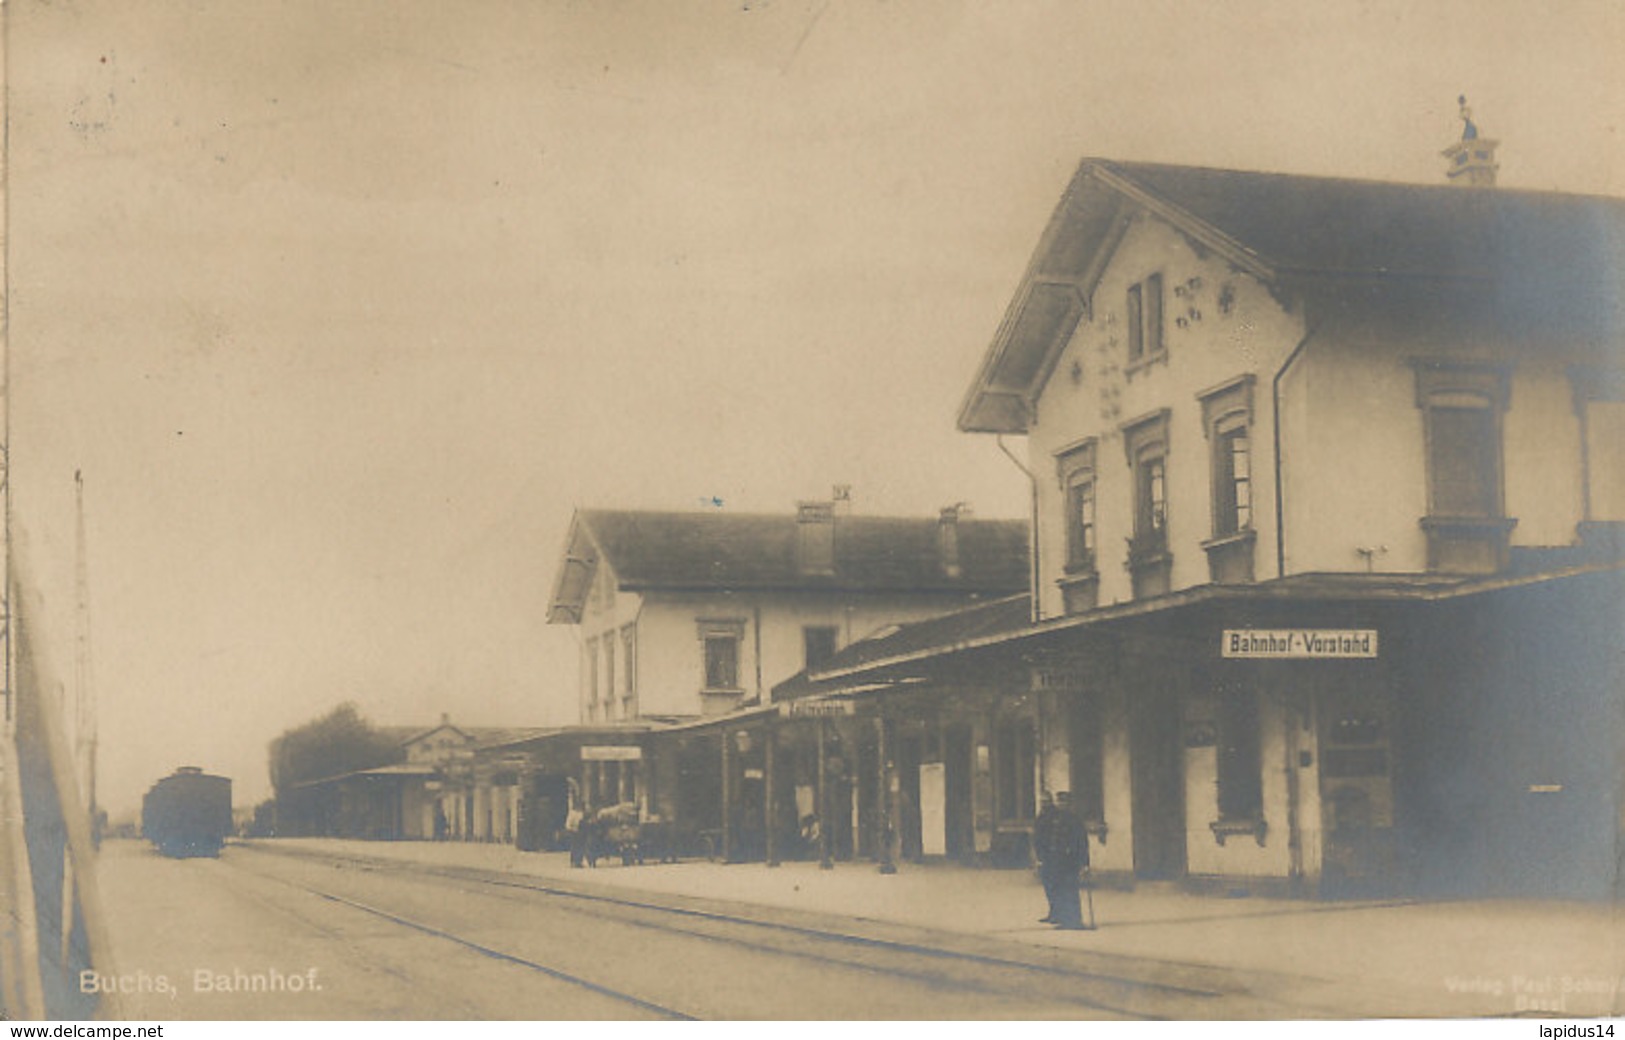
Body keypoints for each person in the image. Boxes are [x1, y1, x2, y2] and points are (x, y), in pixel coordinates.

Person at [1034, 790, 1090, 930]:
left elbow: (1082, 842)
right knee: (1060, 889)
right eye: (1059, 802)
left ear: (1069, 804)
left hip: (1070, 861)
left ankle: (1075, 921)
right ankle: (1064, 919)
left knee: (1070, 890)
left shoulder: (1075, 820)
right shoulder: (1055, 819)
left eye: (1064, 802)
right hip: (1056, 860)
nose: (1061, 805)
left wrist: (1084, 863)